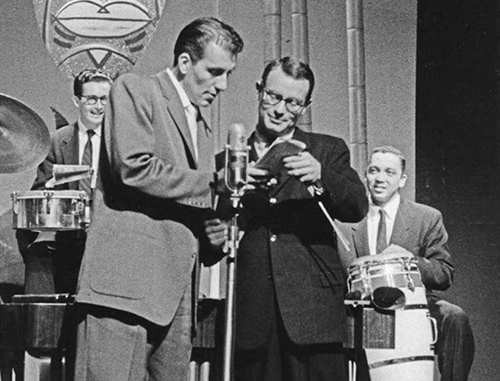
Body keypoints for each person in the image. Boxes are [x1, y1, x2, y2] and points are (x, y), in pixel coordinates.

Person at [73, 17, 244, 381]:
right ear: (185, 63)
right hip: (125, 290)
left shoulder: (201, 127)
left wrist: (215, 231)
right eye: (214, 71)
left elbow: (183, 203)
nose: (222, 85)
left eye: (228, 74)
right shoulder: (136, 89)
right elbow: (133, 168)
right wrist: (215, 184)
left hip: (177, 302)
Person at [207, 56, 368, 381]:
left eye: (293, 103)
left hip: (314, 318)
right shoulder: (227, 163)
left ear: (305, 106)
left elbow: (357, 207)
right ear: (259, 90)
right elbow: (210, 247)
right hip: (253, 318)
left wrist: (322, 177)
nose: (280, 109)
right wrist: (215, 235)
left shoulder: (326, 151)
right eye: (273, 96)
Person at [339, 146, 475, 381]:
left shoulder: (426, 217)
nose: (380, 178)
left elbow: (444, 273)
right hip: (362, 309)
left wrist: (411, 261)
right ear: (365, 176)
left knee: (455, 317)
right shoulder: (344, 221)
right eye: (374, 170)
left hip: (412, 305)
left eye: (389, 172)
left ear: (402, 180)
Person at [16, 68, 113, 295]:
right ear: (76, 100)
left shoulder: (121, 142)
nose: (98, 106)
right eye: (91, 99)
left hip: (109, 236)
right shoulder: (57, 142)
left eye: (104, 99)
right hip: (67, 239)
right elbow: (41, 192)